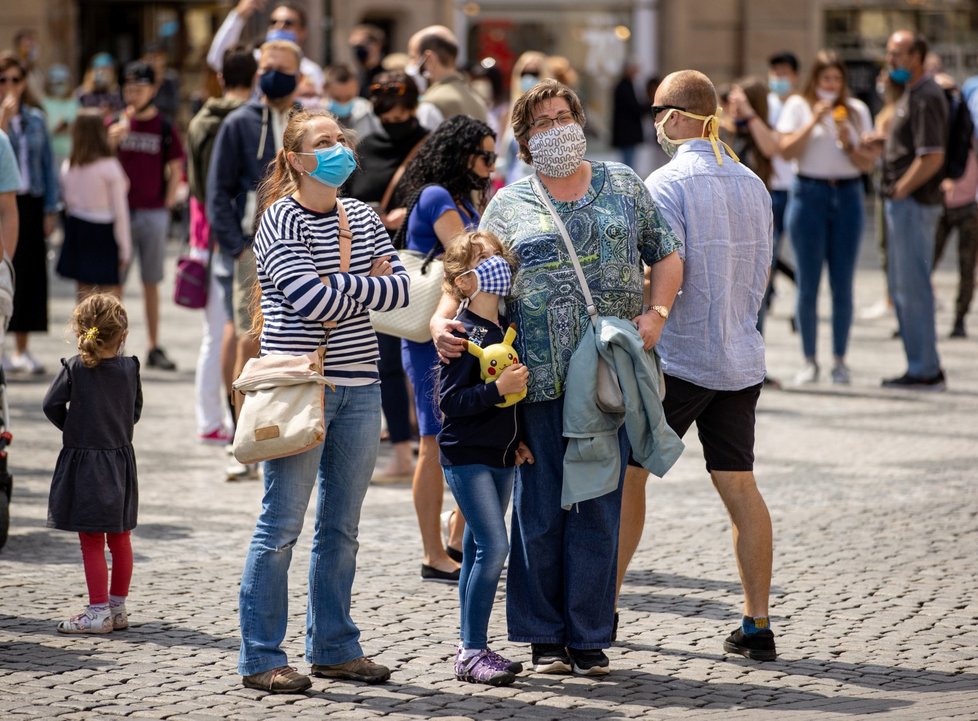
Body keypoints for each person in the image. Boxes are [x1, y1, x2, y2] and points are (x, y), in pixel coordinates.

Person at [432, 79, 682, 675]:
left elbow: (667, 253)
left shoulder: (624, 184)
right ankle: (544, 637)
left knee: (598, 509)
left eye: (563, 115)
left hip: (606, 380)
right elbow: (462, 274)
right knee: (540, 512)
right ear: (524, 138)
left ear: (581, 119)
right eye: (541, 122)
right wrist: (446, 323)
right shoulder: (507, 204)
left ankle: (589, 634)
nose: (556, 127)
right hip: (532, 383)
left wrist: (657, 314)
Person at [237, 108, 408, 693]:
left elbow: (402, 289)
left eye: (340, 138)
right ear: (295, 159)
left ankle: (334, 647)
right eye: (324, 141)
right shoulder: (279, 220)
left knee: (342, 528)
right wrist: (363, 285)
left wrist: (345, 287)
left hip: (360, 387)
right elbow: (309, 299)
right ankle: (261, 657)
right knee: (281, 526)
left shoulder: (360, 214)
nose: (339, 148)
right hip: (299, 388)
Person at [627, 69, 776, 661]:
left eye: (658, 112)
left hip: (683, 356)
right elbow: (762, 270)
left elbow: (665, 271)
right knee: (740, 484)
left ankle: (600, 612)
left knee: (627, 476)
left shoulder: (665, 184)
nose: (655, 123)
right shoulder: (753, 183)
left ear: (673, 116)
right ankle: (757, 623)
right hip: (741, 354)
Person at [397, 114, 498, 583]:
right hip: (429, 336)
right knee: (434, 441)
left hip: (457, 332)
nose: (490, 164)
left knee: (455, 436)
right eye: (484, 155)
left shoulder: (457, 197)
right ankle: (432, 552)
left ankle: (454, 538)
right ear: (461, 154)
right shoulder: (438, 196)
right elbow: (467, 254)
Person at [438, 229, 531, 686]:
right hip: (467, 457)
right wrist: (497, 389)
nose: (497, 264)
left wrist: (518, 438)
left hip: (500, 455)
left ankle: (468, 645)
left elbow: (510, 402)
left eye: (498, 256)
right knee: (495, 547)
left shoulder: (503, 327)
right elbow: (451, 403)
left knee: (477, 548)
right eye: (484, 259)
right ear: (465, 280)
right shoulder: (461, 332)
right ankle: (473, 650)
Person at [207, 38, 302, 479]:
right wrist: (235, 244)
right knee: (250, 337)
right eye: (268, 66)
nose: (274, 73)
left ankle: (291, 428)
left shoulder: (306, 123)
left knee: (298, 338)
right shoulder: (239, 123)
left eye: (283, 67)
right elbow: (218, 189)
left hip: (305, 241)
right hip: (252, 245)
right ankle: (242, 435)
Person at [345, 72, 430, 481]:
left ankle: (432, 445)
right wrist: (371, 216)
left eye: (402, 110)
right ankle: (401, 450)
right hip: (375, 265)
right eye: (386, 112)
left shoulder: (431, 145)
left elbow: (445, 199)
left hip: (425, 264)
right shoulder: (365, 148)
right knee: (386, 362)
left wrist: (410, 214)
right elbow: (343, 200)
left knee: (428, 359)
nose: (394, 117)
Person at [41, 292, 142, 634]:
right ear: (122, 334)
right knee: (121, 537)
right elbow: (135, 412)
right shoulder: (130, 368)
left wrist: (76, 428)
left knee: (91, 539)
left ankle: (98, 610)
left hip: (86, 463)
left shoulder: (75, 368)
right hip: (119, 460)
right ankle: (117, 607)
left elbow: (50, 405)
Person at [775, 51, 877, 385]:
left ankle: (839, 359)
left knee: (842, 283)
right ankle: (808, 359)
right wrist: (812, 122)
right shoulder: (797, 107)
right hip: (809, 193)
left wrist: (849, 143)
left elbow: (867, 164)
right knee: (808, 282)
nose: (831, 86)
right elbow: (786, 151)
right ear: (814, 81)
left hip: (847, 195)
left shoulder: (858, 111)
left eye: (836, 79)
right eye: (825, 79)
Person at [186, 46, 258, 446]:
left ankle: (211, 416)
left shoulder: (200, 119)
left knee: (216, 332)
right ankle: (232, 421)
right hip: (237, 235)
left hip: (209, 232)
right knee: (235, 330)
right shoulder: (245, 120)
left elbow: (200, 184)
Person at [880, 31, 948, 390]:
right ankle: (919, 365)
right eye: (890, 53)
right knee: (903, 289)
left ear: (917, 56)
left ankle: (925, 370)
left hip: (913, 205)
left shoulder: (926, 95)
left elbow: (933, 155)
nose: (891, 59)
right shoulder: (911, 93)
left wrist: (900, 190)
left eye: (897, 53)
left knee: (913, 289)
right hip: (905, 204)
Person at [108, 61, 184, 372]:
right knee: (116, 284)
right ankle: (115, 344)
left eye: (139, 89)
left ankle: (153, 345)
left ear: (152, 90)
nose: (133, 94)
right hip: (119, 213)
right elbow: (98, 161)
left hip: (152, 213)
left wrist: (166, 204)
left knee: (151, 282)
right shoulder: (114, 124)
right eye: (128, 89)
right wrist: (113, 138)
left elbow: (176, 167)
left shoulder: (164, 126)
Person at [0, 53, 59, 376]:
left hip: (31, 201)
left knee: (29, 275)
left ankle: (22, 348)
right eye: (3, 80)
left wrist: (51, 208)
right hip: (3, 200)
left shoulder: (36, 118)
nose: (9, 86)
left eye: (15, 80)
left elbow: (48, 165)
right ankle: (2, 346)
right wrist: (2, 123)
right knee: (3, 269)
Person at [57, 110, 131, 300]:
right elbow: (120, 212)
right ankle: (106, 331)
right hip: (104, 232)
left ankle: (86, 331)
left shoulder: (68, 166)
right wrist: (125, 248)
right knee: (110, 296)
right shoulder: (110, 166)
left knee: (83, 294)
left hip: (78, 229)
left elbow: (67, 203)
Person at [932, 73, 977, 339]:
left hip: (968, 206)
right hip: (936, 207)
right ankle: (916, 319)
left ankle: (960, 318)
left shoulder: (969, 131)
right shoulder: (933, 129)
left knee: (966, 268)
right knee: (924, 264)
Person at [207, 0, 325, 93]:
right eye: (274, 22)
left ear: (302, 32)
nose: (279, 27)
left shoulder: (311, 71)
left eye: (288, 23)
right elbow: (218, 60)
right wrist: (238, 16)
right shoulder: (253, 60)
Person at [406, 26, 487, 123]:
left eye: (413, 57)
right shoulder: (477, 100)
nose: (411, 63)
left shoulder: (432, 103)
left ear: (429, 58)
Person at [42, 64, 79, 171]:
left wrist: (71, 128)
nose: (59, 86)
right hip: (50, 154)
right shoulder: (44, 103)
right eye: (56, 83)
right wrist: (56, 130)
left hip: (71, 154)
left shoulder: (74, 103)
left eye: (61, 82)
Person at [611, 63, 645, 170]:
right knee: (628, 164)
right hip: (627, 132)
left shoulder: (627, 86)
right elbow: (632, 107)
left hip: (626, 132)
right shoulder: (624, 87)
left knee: (628, 161)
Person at [323, 64, 373, 130]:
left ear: (357, 88)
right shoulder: (316, 113)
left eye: (348, 98)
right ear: (325, 89)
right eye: (337, 98)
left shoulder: (366, 110)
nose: (343, 103)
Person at [76, 52, 124, 118]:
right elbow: (74, 114)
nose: (102, 73)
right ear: (91, 72)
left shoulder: (118, 93)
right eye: (98, 69)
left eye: (106, 70)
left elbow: (123, 112)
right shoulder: (81, 93)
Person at [349, 23, 386, 97]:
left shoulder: (387, 78)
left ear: (377, 45)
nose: (358, 51)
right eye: (355, 47)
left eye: (361, 46)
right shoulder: (353, 79)